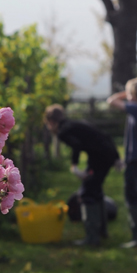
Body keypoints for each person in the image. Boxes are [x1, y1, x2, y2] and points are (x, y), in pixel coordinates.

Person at [43, 105, 120, 246]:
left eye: (48, 124)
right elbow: (105, 135)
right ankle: (102, 232)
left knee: (87, 193)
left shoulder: (63, 131)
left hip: (99, 158)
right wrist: (116, 157)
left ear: (51, 122)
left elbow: (76, 145)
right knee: (95, 190)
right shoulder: (75, 124)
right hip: (105, 156)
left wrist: (74, 166)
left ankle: (92, 238)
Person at [107, 77, 137, 249]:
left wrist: (127, 93)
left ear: (133, 94)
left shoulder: (136, 108)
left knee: (133, 198)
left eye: (129, 92)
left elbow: (112, 101)